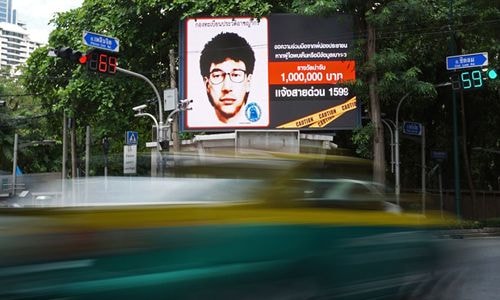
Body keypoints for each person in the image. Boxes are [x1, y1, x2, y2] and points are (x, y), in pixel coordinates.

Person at [199, 32, 256, 124]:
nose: (227, 87)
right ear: (207, 84)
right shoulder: (199, 121)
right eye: (217, 75)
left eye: (236, 75)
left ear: (248, 82)